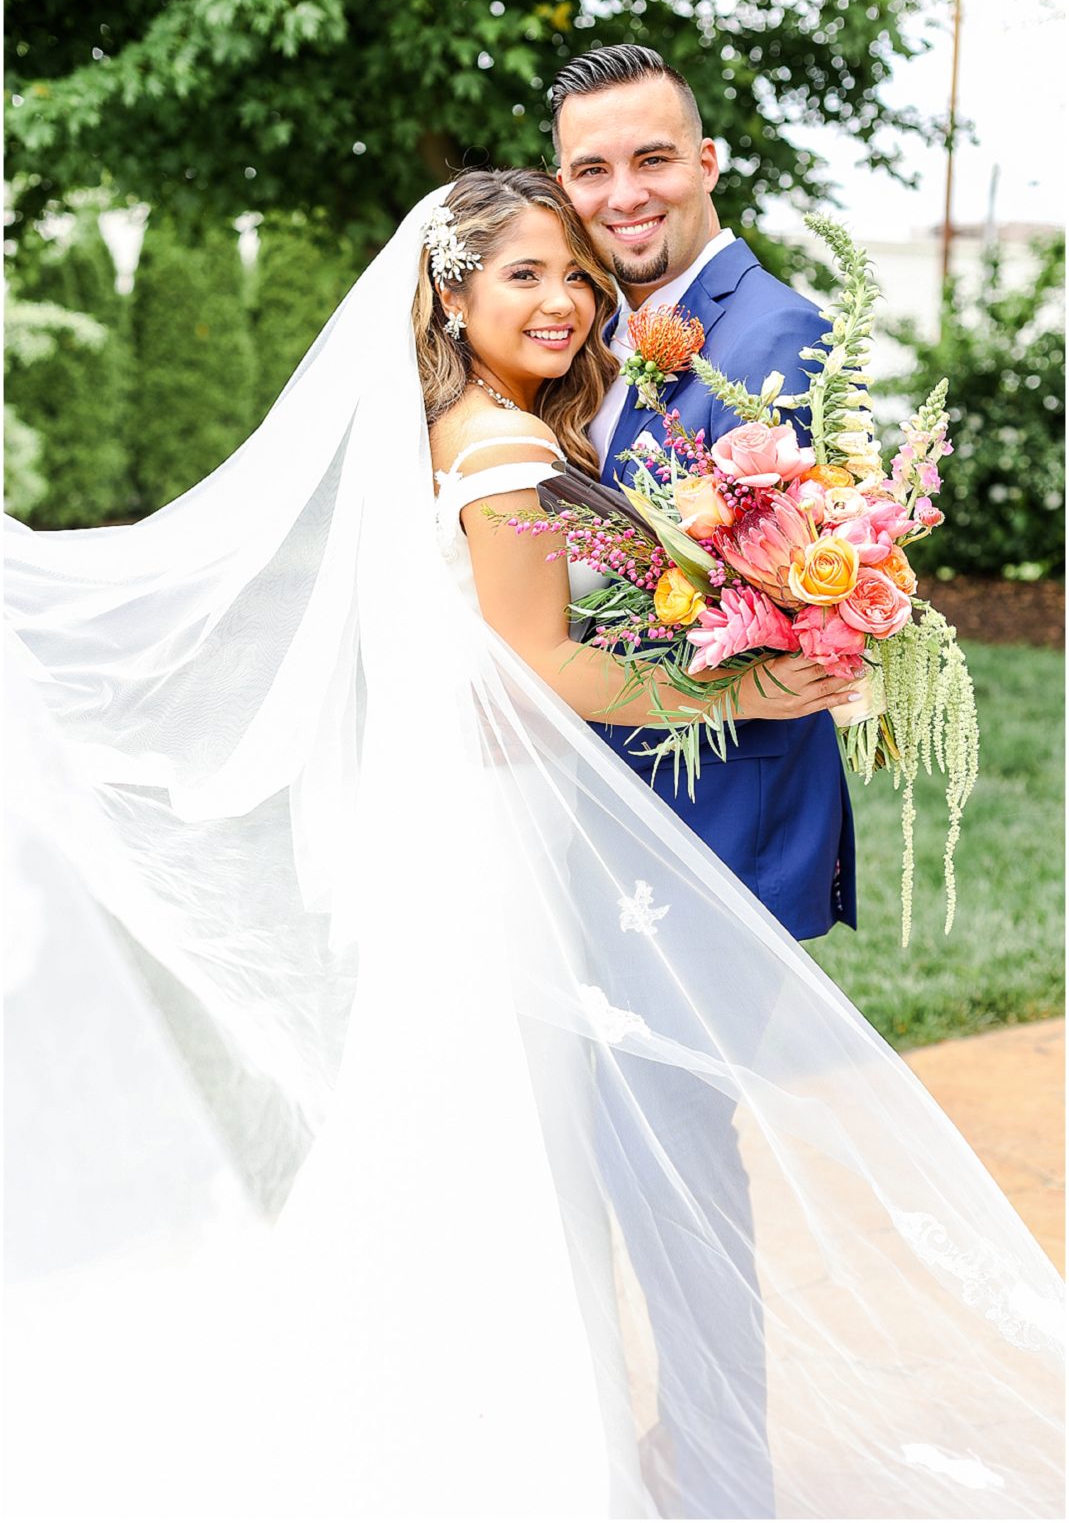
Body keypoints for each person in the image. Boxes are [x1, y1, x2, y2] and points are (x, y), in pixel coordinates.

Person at [4, 170, 1063, 1522]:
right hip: (500, 859)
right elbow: (543, 668)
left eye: (574, 274)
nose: (564, 298)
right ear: (449, 292)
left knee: (495, 1152)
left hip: (496, 836)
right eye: (523, 274)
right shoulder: (502, 450)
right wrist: (749, 685)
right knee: (504, 1154)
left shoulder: (471, 429)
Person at [554, 43, 855, 942]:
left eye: (652, 159)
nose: (624, 195)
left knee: (659, 1086)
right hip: (598, 780)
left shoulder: (775, 331)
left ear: (705, 162)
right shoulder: (583, 330)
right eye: (591, 171)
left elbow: (770, 597)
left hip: (714, 794)